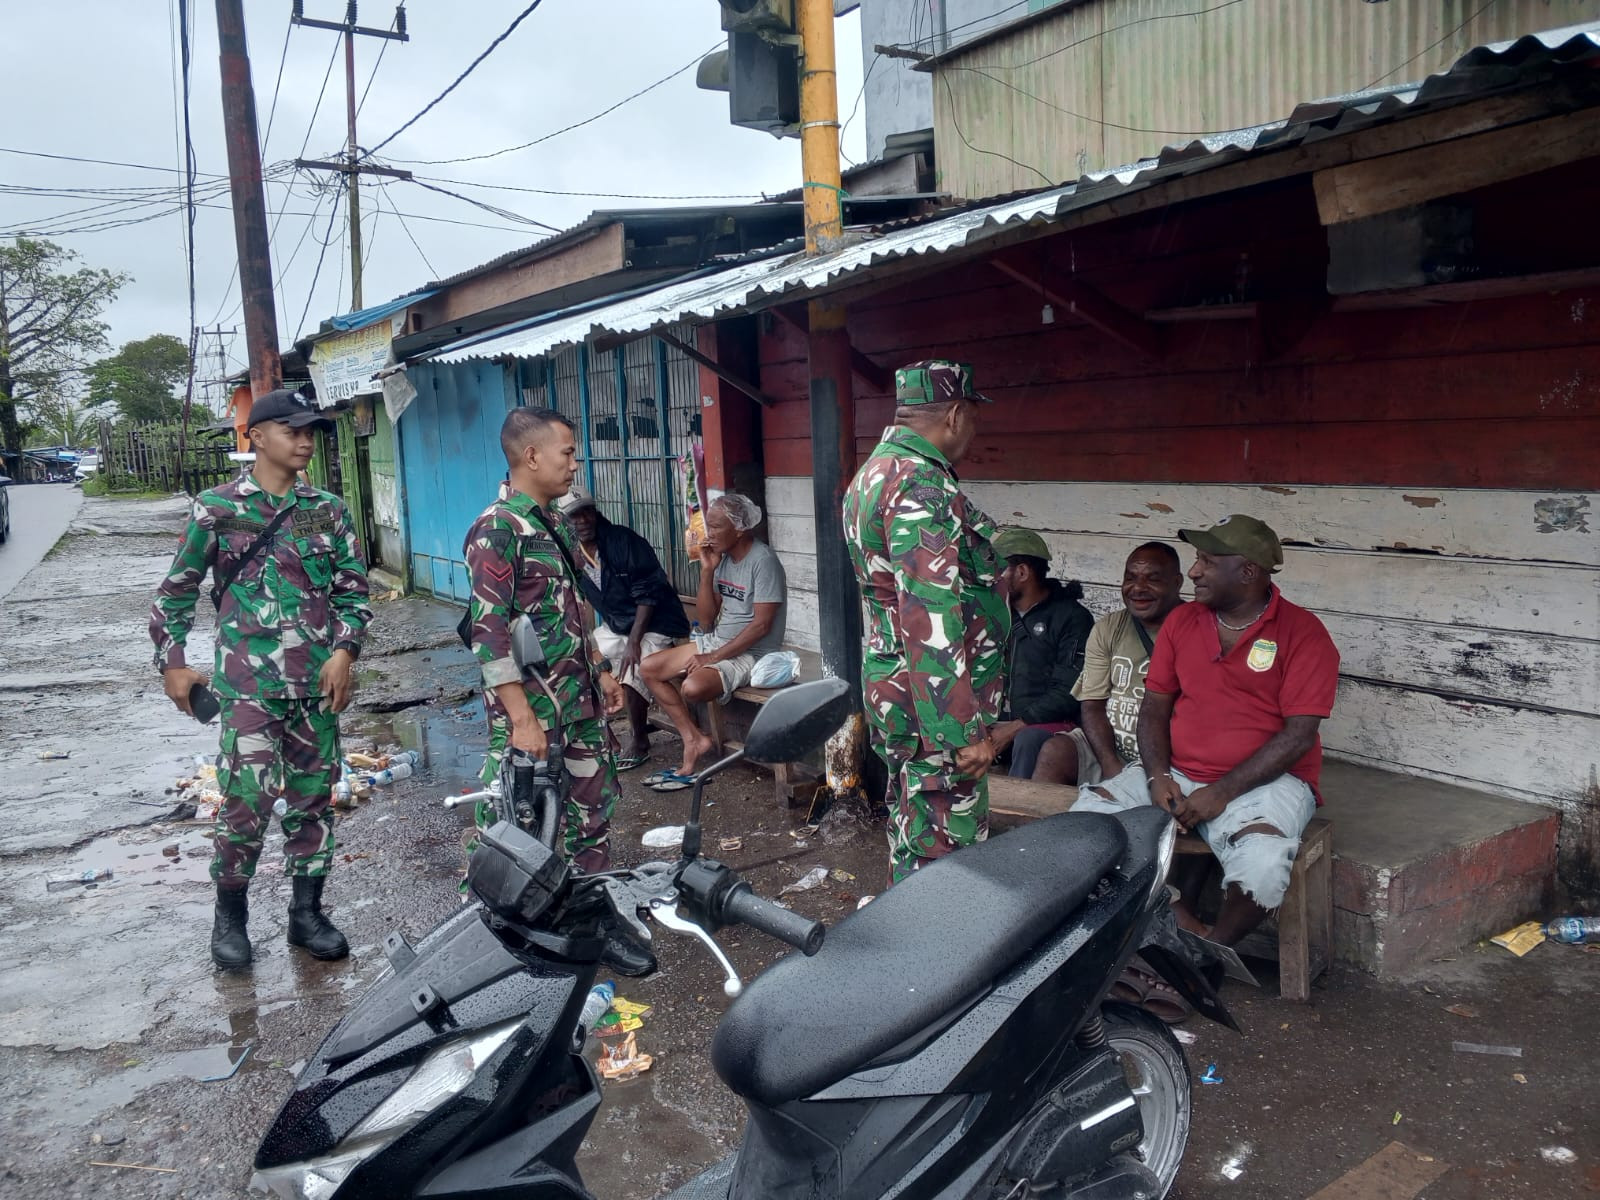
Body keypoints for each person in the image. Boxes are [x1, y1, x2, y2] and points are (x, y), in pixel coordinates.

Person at [149, 387, 371, 970]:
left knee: (312, 802)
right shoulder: (218, 508)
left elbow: (353, 590)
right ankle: (231, 920)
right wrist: (172, 661)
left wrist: (345, 651)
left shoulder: (327, 508)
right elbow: (174, 594)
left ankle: (307, 915)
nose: (304, 441)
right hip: (248, 687)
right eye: (293, 430)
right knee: (247, 801)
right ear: (256, 436)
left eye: (311, 432)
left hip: (317, 686)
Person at [1073, 515, 1339, 949]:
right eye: (1198, 559)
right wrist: (1158, 775)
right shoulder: (1184, 622)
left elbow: (1298, 736)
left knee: (1265, 863)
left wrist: (1222, 792)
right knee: (1083, 825)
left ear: (1248, 572)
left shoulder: (1304, 634)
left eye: (1207, 562)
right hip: (1175, 772)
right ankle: (1131, 938)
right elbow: (1154, 708)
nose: (1194, 572)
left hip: (1266, 784)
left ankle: (1210, 953)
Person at [842, 360, 1011, 884]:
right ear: (956, 414)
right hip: (934, 714)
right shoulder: (921, 484)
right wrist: (961, 733)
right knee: (947, 857)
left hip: (902, 696)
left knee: (915, 834)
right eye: (974, 416)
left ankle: (908, 950)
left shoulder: (874, 473)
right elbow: (928, 614)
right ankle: (937, 959)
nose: (973, 429)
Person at [640, 493, 786, 788]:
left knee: (692, 688)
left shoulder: (763, 561)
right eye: (709, 526)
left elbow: (761, 626)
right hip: (718, 643)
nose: (709, 534)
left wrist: (713, 658)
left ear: (740, 528)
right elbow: (706, 618)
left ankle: (696, 741)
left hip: (753, 653)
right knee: (649, 669)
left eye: (716, 527)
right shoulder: (724, 561)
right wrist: (707, 570)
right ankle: (693, 738)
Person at [560, 487, 690, 770]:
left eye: (586, 512)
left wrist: (634, 642)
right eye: (573, 516)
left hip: (657, 622)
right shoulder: (572, 554)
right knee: (577, 663)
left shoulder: (623, 541)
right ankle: (607, 739)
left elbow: (648, 594)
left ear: (595, 513)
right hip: (619, 625)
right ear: (564, 521)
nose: (581, 520)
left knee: (633, 669)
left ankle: (640, 740)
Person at [1035, 542, 1186, 786]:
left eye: (1152, 579)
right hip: (1111, 750)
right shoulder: (1109, 628)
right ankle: (1042, 823)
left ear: (1177, 583)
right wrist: (1112, 767)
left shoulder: (1195, 629)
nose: (1138, 588)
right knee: (1055, 752)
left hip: (1170, 760)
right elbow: (1092, 704)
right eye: (1131, 577)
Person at [986, 527, 1094, 779]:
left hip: (1050, 725)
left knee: (1028, 739)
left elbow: (1070, 690)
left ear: (1022, 572)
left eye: (997, 569)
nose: (990, 577)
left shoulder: (1071, 618)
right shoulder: (996, 613)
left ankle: (1016, 816)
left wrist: (1015, 727)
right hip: (999, 720)